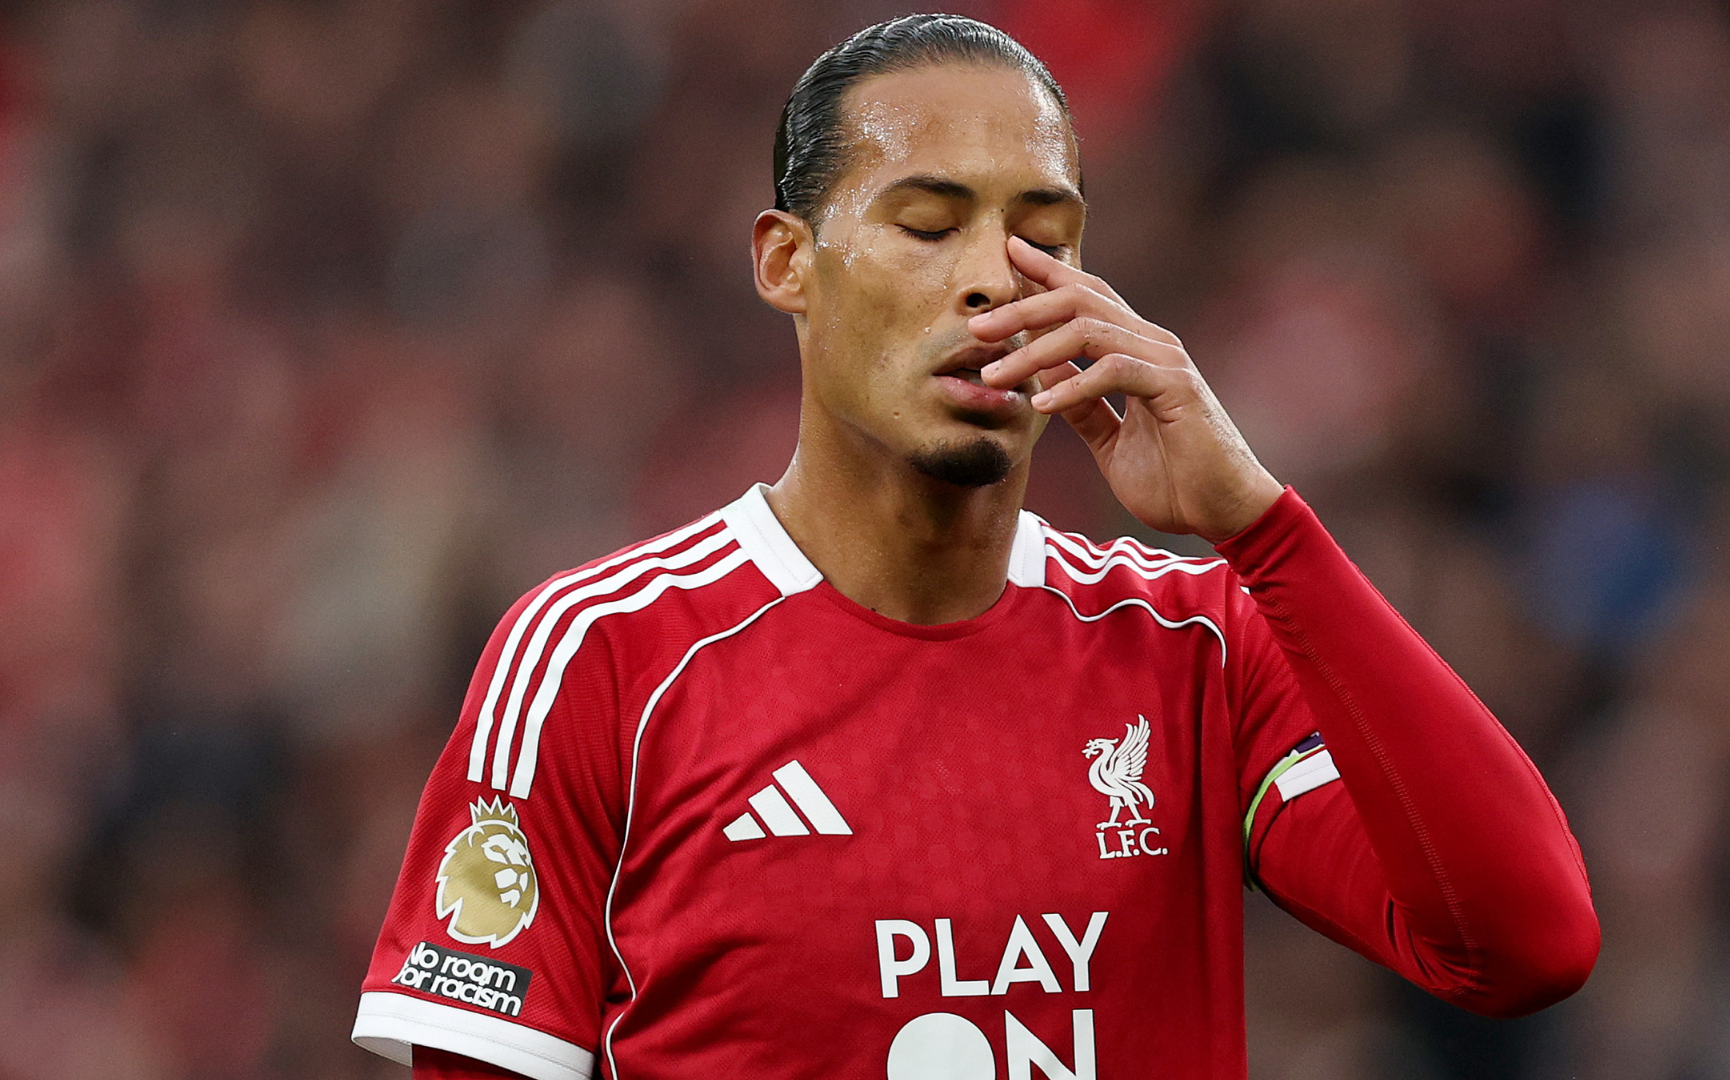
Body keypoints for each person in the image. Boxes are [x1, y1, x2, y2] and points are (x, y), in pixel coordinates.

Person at [351, 15, 1599, 1080]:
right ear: (789, 264)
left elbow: (1525, 944)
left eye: (1039, 234)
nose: (996, 282)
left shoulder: (1197, 643)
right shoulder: (601, 660)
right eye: (929, 224)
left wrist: (1264, 531)